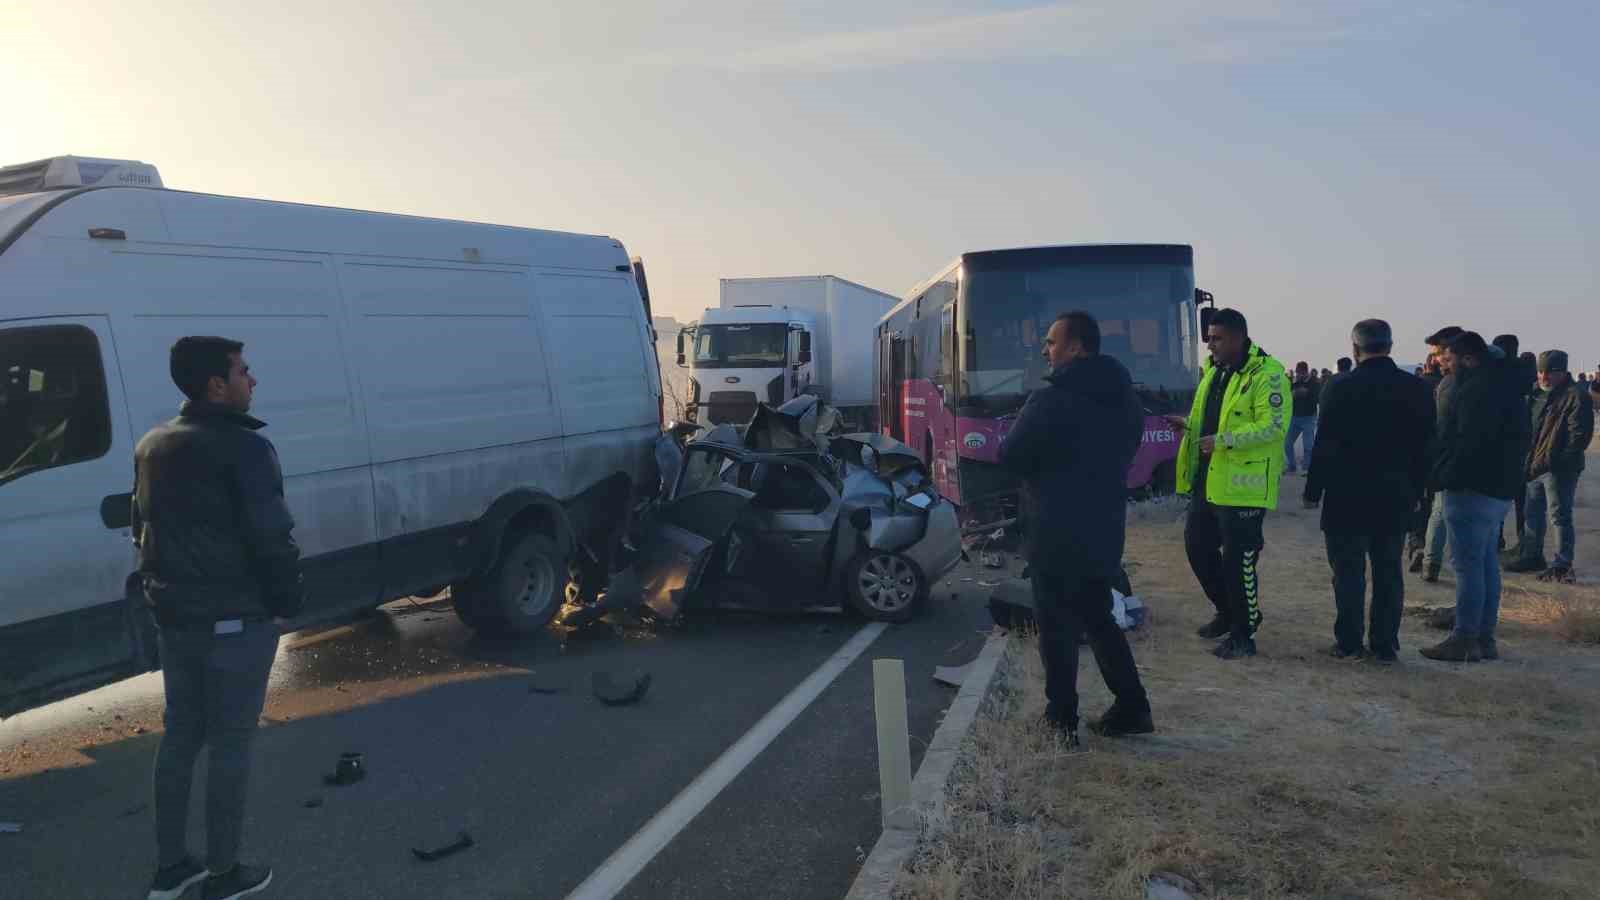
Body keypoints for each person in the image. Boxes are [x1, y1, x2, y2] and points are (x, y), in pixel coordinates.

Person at [135, 337, 301, 900]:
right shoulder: (246, 449)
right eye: (243, 372)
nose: (252, 381)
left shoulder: (152, 444)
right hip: (235, 622)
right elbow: (272, 537)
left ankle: (171, 867)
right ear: (216, 385)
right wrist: (285, 604)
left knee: (181, 735)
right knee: (231, 743)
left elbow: (142, 530)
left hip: (177, 622)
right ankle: (225, 874)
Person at [1000, 311, 1153, 745]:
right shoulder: (1126, 399)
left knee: (1056, 626)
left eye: (1051, 342)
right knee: (1098, 618)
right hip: (1103, 527)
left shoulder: (1052, 398)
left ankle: (1061, 718)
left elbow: (1011, 454)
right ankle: (1133, 706)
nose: (1046, 350)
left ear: (1076, 346)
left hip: (1053, 529)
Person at [1303, 320, 1434, 663]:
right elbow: (1425, 447)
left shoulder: (1340, 386)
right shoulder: (1416, 388)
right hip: (1396, 496)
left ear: (1354, 348)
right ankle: (1385, 645)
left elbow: (1325, 444)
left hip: (1347, 496)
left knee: (1348, 573)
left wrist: (1313, 490)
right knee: (1389, 571)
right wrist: (1420, 490)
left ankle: (1348, 642)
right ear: (1389, 346)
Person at [1169, 308, 1288, 660]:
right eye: (1209, 338)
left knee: (1239, 561)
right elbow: (1208, 419)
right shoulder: (1214, 374)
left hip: (1244, 485)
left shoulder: (1268, 374)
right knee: (1197, 548)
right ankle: (1227, 611)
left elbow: (1274, 427)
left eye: (1217, 338)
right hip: (1208, 482)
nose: (1210, 344)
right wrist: (1188, 425)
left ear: (1238, 337)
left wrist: (1223, 441)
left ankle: (1244, 633)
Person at [1420, 332, 1529, 663]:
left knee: (1468, 566)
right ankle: (1484, 637)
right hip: (1499, 488)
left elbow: (1464, 443)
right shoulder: (1506, 385)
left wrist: (1441, 477)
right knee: (1485, 564)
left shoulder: (1473, 390)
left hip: (1470, 488)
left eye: (1449, 360)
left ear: (1469, 359)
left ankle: (1465, 637)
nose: (1444, 365)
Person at [1506, 350, 1594, 583]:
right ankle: (1532, 555)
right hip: (1535, 466)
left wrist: (1558, 461)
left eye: (1550, 372)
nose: (1544, 377)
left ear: (1563, 372)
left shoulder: (1576, 396)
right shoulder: (1535, 394)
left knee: (1559, 515)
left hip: (1560, 469)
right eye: (1541, 371)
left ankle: (1562, 564)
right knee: (1531, 513)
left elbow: (1579, 437)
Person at [1413, 326, 1466, 581]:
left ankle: (1429, 562)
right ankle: (1428, 560)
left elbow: (1445, 431)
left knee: (1443, 515)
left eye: (1437, 354)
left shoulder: (1454, 384)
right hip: (1453, 466)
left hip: (1453, 468)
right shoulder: (1462, 380)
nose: (1434, 360)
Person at [1492, 336, 1535, 551]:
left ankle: (1497, 537)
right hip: (1523, 443)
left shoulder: (1493, 373)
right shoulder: (1525, 371)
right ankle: (1523, 540)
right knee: (1522, 501)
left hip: (1499, 445)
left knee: (1497, 497)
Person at [1284, 361, 1319, 476]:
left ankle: (1307, 468)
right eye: (1297, 373)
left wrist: (1301, 393)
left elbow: (1313, 397)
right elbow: (1288, 396)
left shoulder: (1314, 382)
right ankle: (1291, 466)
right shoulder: (1294, 382)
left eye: (1300, 373)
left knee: (1308, 444)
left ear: (1305, 372)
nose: (1298, 375)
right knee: (1287, 443)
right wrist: (1295, 393)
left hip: (1309, 418)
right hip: (1294, 417)